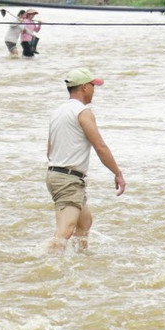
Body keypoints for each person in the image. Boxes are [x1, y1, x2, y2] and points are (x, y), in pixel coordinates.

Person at [45, 67, 125, 254]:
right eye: (92, 85)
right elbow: (100, 146)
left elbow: (49, 151)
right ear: (84, 88)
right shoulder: (83, 112)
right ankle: (46, 267)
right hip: (68, 178)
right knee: (65, 230)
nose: (94, 89)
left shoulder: (58, 112)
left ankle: (82, 261)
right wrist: (117, 173)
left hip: (57, 175)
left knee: (85, 222)